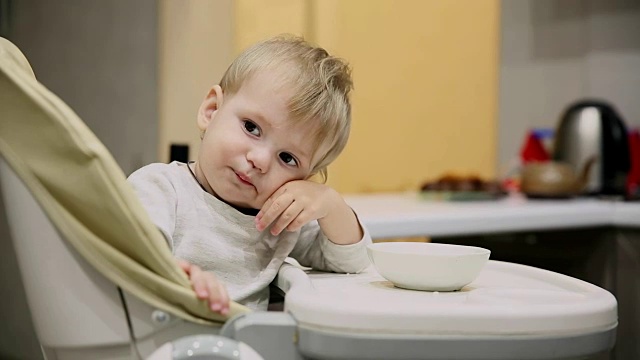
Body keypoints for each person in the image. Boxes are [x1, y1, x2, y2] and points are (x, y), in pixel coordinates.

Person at [128, 35, 371, 316]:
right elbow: (134, 256)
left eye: (287, 158)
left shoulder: (277, 217)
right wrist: (181, 278)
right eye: (251, 128)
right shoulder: (160, 188)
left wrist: (330, 204)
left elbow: (352, 261)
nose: (260, 160)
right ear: (211, 111)